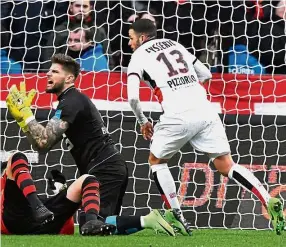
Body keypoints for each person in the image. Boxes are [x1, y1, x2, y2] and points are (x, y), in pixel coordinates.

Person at [126, 19, 285, 235]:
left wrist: (144, 122)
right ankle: (268, 199)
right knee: (227, 165)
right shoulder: (174, 45)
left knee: (156, 161)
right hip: (205, 109)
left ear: (142, 38)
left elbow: (133, 99)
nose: (129, 43)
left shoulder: (138, 56)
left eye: (131, 38)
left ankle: (176, 215)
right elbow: (206, 74)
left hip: (177, 115)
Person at [5, 54, 127, 224]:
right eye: (49, 70)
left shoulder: (72, 101)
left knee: (93, 224)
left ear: (69, 78)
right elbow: (42, 147)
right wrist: (24, 123)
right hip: (103, 166)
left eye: (54, 71)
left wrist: (27, 115)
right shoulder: (68, 101)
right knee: (103, 223)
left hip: (105, 168)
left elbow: (43, 140)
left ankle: (148, 219)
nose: (48, 74)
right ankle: (146, 220)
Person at [0, 152, 182, 236]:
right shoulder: (6, 189)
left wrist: (60, 191)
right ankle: (145, 220)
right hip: (30, 218)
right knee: (16, 157)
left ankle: (94, 221)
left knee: (88, 180)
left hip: (49, 219)